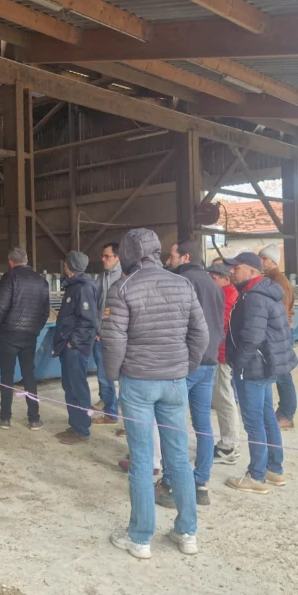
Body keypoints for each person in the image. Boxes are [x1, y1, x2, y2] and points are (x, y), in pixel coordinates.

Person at [102, 228, 209, 559]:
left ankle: (141, 537)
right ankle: (187, 532)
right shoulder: (182, 283)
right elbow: (200, 334)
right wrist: (184, 367)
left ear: (130, 255)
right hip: (174, 381)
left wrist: (114, 375)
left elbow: (113, 339)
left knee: (143, 459)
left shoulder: (122, 288)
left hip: (138, 381)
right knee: (178, 456)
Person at [225, 252, 298, 495]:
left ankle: (256, 475)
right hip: (265, 365)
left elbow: (252, 337)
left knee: (254, 421)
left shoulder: (254, 297)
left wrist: (239, 364)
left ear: (252, 271)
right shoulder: (264, 292)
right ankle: (274, 469)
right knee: (267, 416)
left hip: (254, 368)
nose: (232, 271)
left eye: (237, 267)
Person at [158, 240, 224, 507]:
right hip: (209, 362)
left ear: (185, 257)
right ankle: (202, 483)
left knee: (173, 423)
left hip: (185, 362)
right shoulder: (214, 285)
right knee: (203, 425)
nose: (168, 260)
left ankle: (172, 484)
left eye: (171, 256)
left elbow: (175, 323)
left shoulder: (181, 283)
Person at [0, 246, 51, 430]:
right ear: (26, 260)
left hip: (8, 335)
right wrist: (36, 329)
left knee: (7, 375)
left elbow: (0, 306)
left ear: (11, 263)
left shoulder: (9, 277)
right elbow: (45, 312)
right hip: (30, 336)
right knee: (29, 375)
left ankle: (5, 418)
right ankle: (34, 418)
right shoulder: (41, 281)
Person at [52, 250, 100, 445]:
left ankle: (82, 429)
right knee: (69, 385)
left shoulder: (83, 287)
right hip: (68, 344)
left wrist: (74, 342)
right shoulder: (74, 286)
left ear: (69, 266)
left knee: (77, 386)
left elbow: (88, 320)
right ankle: (75, 424)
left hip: (75, 347)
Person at [259, 244, 298, 430]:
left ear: (272, 261)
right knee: (280, 373)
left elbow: (279, 312)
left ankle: (286, 414)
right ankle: (283, 412)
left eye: (263, 258)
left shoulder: (279, 282)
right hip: (279, 332)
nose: (261, 262)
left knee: (283, 375)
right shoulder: (271, 279)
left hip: (280, 333)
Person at [207, 263, 241, 465]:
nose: (211, 283)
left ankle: (229, 446)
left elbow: (221, 327)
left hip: (222, 355)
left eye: (213, 279)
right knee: (223, 398)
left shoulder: (227, 297)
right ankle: (228, 443)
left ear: (225, 279)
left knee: (224, 398)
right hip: (221, 354)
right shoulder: (226, 295)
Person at [92, 242, 122, 425]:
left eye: (107, 256)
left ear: (118, 257)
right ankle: (110, 410)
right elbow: (97, 303)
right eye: (102, 256)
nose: (103, 259)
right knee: (103, 377)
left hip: (116, 337)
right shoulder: (102, 276)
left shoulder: (124, 277)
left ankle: (124, 418)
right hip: (100, 335)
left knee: (123, 379)